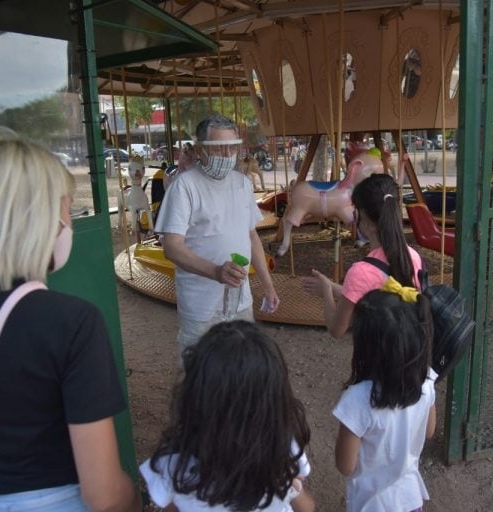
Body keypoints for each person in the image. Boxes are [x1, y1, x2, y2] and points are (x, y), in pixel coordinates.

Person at [0, 127, 140, 512]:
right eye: (68, 208)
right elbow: (104, 496)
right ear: (38, 220)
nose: (69, 222)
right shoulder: (73, 323)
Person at [140, 320, 315, 512]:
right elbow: (306, 507)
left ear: (195, 396)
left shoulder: (174, 464)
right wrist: (291, 489)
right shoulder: (283, 444)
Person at [154, 114, 279, 350]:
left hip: (240, 297)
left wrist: (267, 284)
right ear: (200, 150)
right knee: (199, 366)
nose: (227, 155)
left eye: (232, 148)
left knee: (242, 361)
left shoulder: (242, 183)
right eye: (219, 148)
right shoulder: (185, 186)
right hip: (201, 303)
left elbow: (251, 236)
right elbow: (172, 246)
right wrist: (215, 271)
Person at [334, 287, 437, 512]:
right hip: (410, 500)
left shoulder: (357, 401)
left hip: (372, 504)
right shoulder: (426, 380)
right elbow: (429, 431)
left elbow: (345, 465)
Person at [301, 174, 423, 338]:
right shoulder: (412, 256)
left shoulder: (361, 271)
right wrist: (330, 286)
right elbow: (366, 291)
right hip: (411, 353)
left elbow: (336, 330)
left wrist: (327, 291)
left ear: (360, 216)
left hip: (377, 359)